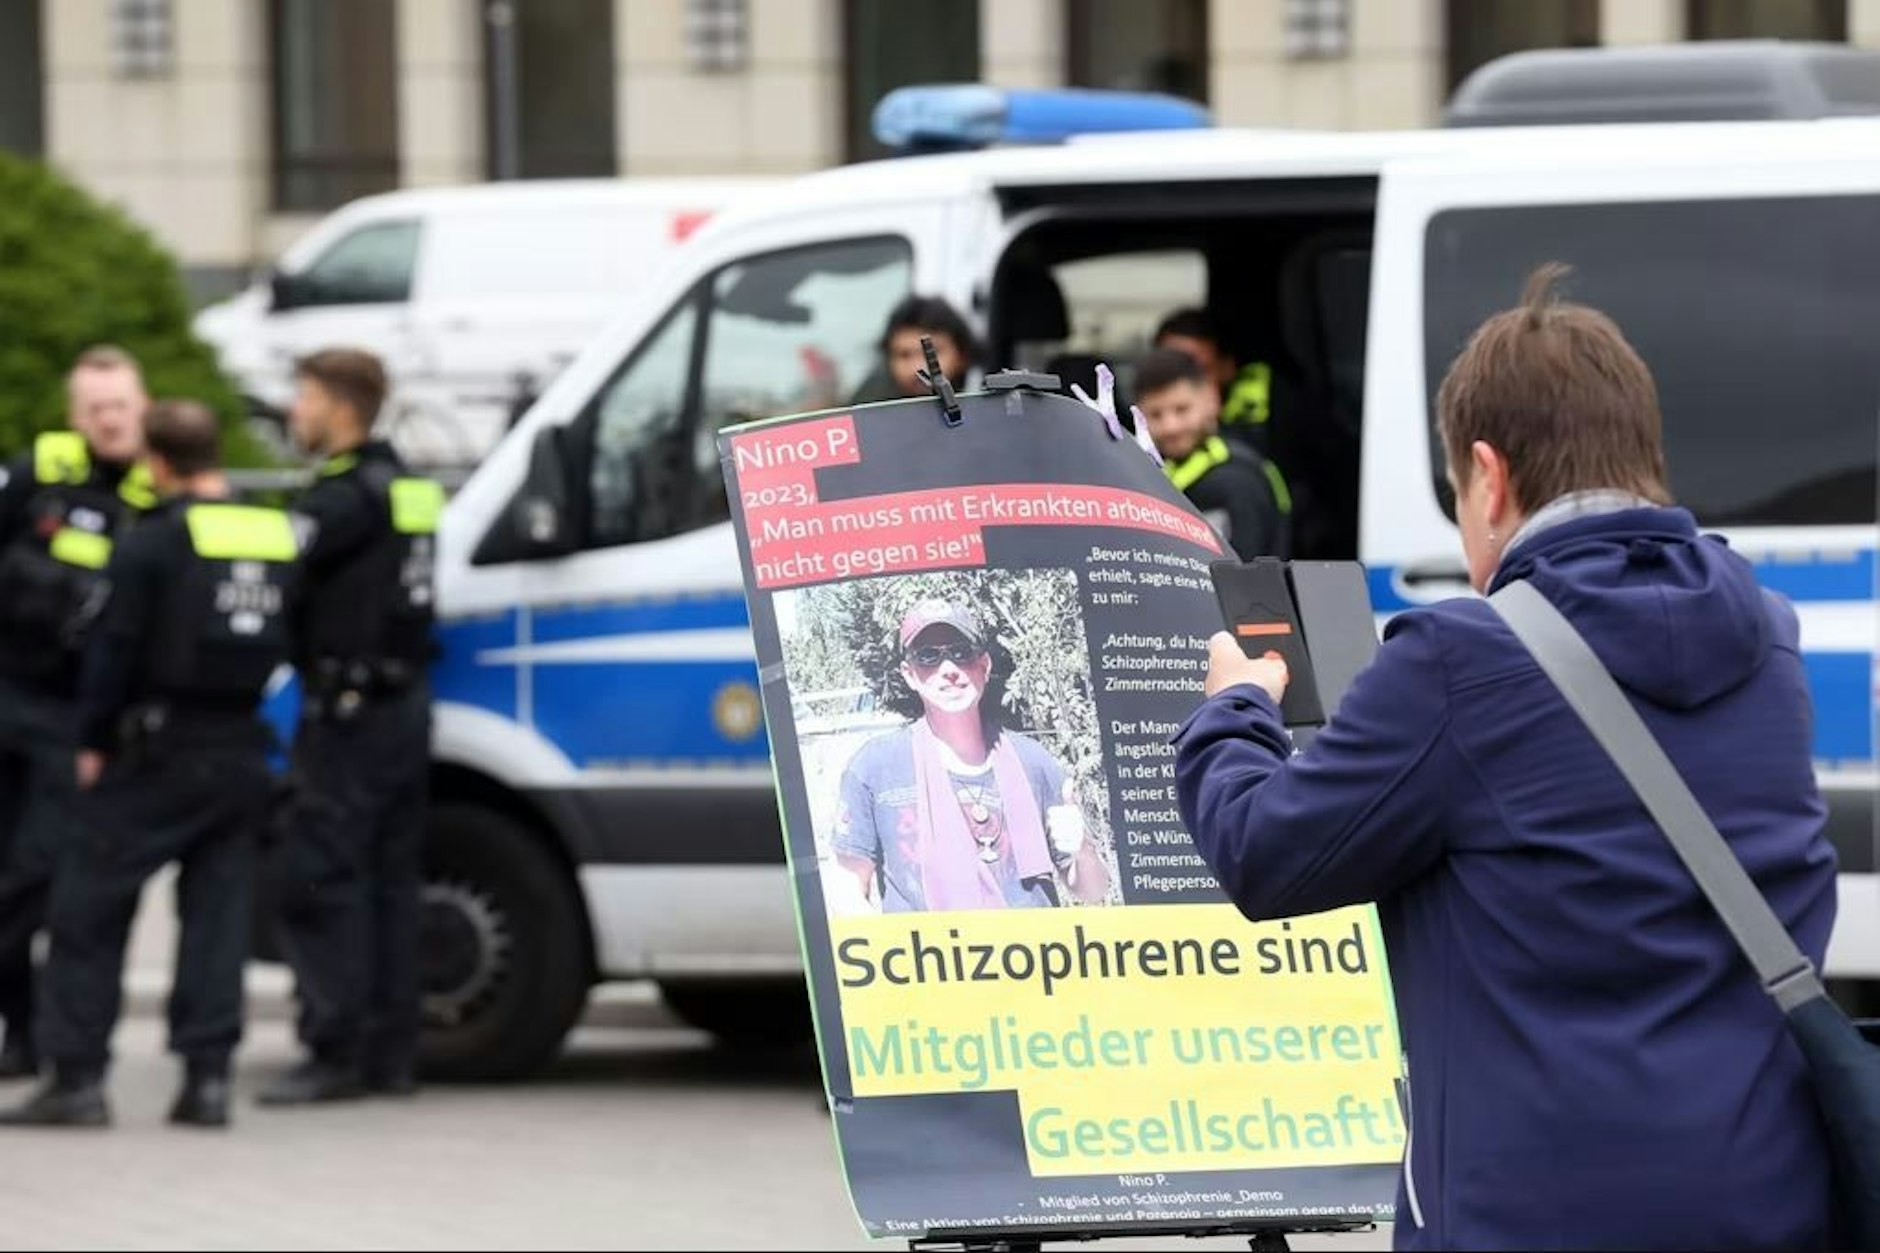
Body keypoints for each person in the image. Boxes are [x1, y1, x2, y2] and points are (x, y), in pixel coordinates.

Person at [1173, 265, 1836, 1250]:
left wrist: (1232, 708)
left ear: (1486, 474)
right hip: (1760, 1197)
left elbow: (1263, 850)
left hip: (1531, 1208)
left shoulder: (1458, 661)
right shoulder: (1766, 637)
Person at [0, 400, 298, 1129]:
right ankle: (206, 1080)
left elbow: (112, 649)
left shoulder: (153, 541)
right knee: (215, 920)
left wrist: (94, 740)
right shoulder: (269, 530)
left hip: (153, 751)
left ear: (157, 464)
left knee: (87, 905)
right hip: (239, 747)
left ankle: (77, 1078)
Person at [260, 349, 439, 1106]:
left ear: (339, 406)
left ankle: (334, 1049)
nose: (295, 413)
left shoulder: (336, 500)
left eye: (303, 398)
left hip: (347, 716)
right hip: (403, 710)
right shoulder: (408, 488)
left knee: (326, 878)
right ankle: (391, 1053)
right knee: (392, 883)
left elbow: (272, 577)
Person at [0, 345, 156, 1080]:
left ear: (143, 408)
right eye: (95, 408)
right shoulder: (35, 477)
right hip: (13, 700)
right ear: (74, 415)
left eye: (120, 406)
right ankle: (22, 1033)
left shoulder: (159, 494)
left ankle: (66, 1046)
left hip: (86, 725)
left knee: (48, 880)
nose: (109, 420)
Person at [828, 600, 1109, 914]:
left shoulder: (1035, 761)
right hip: (928, 958)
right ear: (909, 674)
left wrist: (1082, 849)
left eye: (961, 652)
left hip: (1034, 959)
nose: (948, 670)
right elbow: (849, 891)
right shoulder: (875, 767)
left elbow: (1091, 890)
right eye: (928, 656)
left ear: (984, 665)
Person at [1133, 348, 1290, 562]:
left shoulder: (1236, 478)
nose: (1170, 426)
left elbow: (1240, 573)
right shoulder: (1152, 472)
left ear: (1211, 399)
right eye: (1155, 414)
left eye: (1182, 409)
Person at [849, 296, 979, 405]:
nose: (917, 368)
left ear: (962, 355)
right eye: (904, 355)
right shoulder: (869, 413)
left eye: (932, 354)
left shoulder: (989, 410)